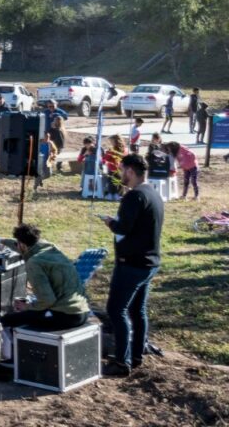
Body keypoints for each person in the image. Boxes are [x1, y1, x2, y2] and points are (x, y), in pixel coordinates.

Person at [97, 154, 164, 377]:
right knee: (137, 310)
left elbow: (123, 228)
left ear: (130, 171)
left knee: (116, 310)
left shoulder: (134, 197)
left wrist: (109, 222)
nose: (119, 173)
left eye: (122, 169)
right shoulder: (153, 192)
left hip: (132, 264)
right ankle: (136, 356)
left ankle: (122, 362)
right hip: (149, 262)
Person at [0, 224, 90, 356]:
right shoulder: (50, 248)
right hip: (82, 310)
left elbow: (47, 300)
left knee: (7, 320)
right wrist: (3, 241)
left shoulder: (34, 263)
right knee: (29, 314)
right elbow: (25, 248)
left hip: (66, 316)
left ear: (22, 244)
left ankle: (10, 359)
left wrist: (27, 306)